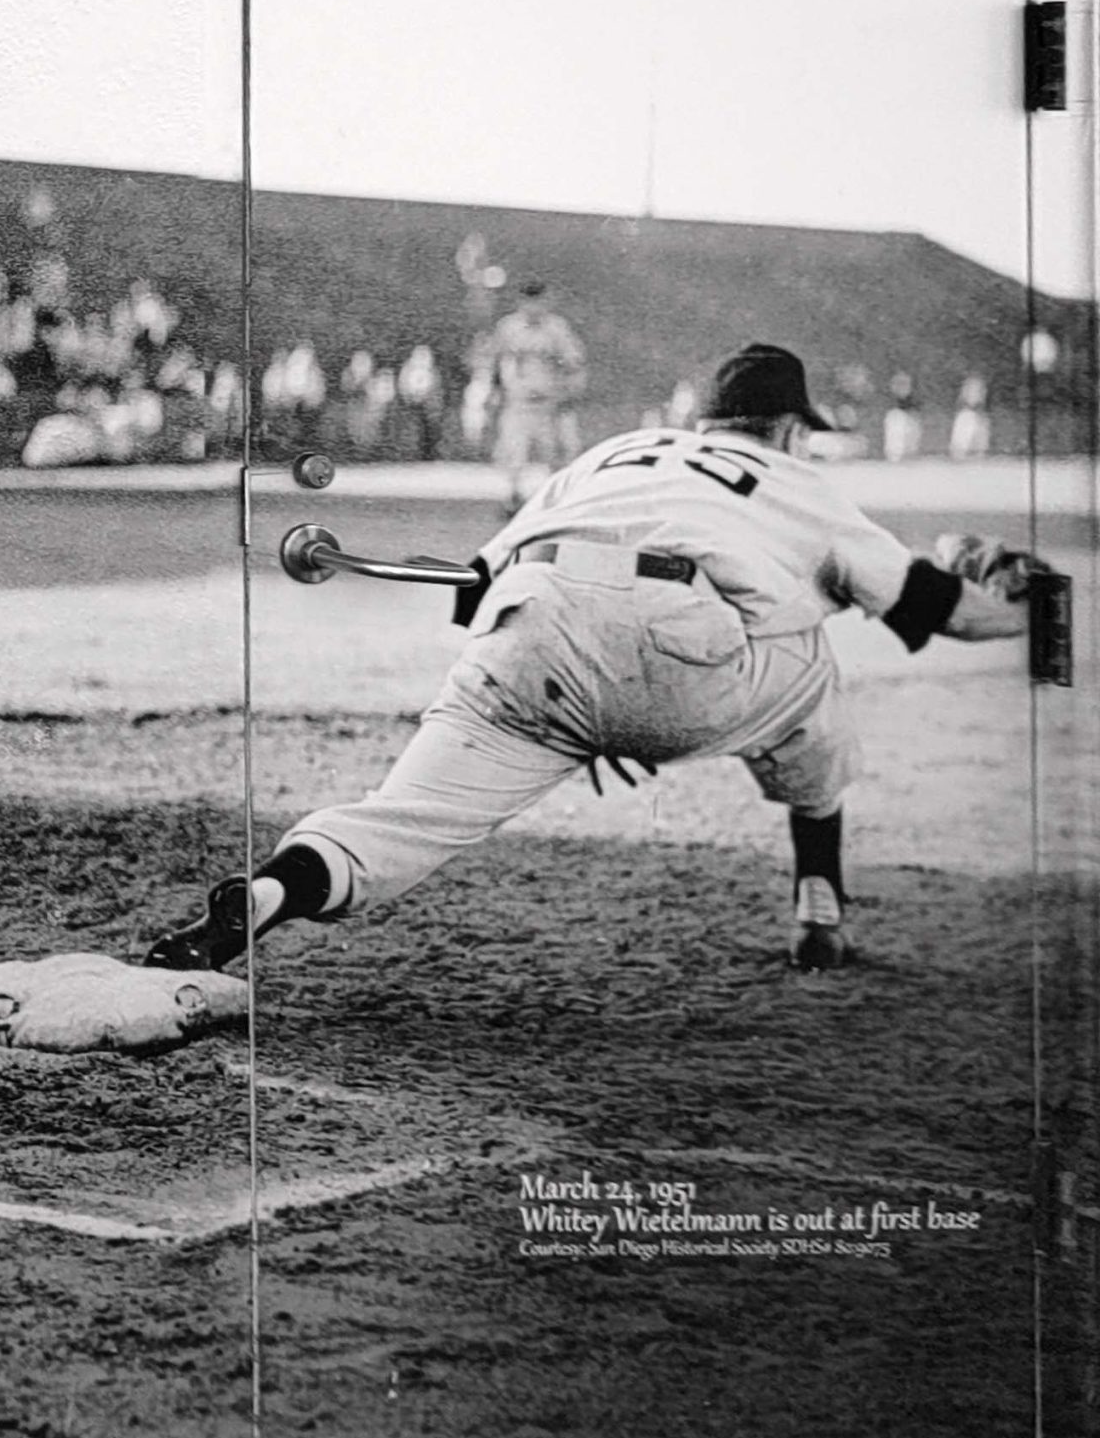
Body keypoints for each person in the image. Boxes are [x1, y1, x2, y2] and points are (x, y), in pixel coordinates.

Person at [144, 344, 1032, 977]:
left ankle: (265, 895)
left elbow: (482, 578)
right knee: (809, 658)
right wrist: (1032, 612)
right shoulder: (796, 478)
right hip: (684, 648)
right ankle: (818, 893)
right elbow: (935, 608)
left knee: (401, 818)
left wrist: (587, 697)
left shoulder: (613, 454)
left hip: (525, 627)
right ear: (790, 428)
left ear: (705, 419)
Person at [486, 281, 587, 510]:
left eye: (538, 301)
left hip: (548, 401)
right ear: (520, 302)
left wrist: (569, 393)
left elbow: (573, 362)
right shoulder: (509, 327)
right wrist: (494, 393)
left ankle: (556, 500)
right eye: (528, 301)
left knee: (555, 451)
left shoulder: (557, 328)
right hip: (518, 400)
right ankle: (513, 496)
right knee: (513, 450)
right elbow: (495, 362)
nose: (534, 307)